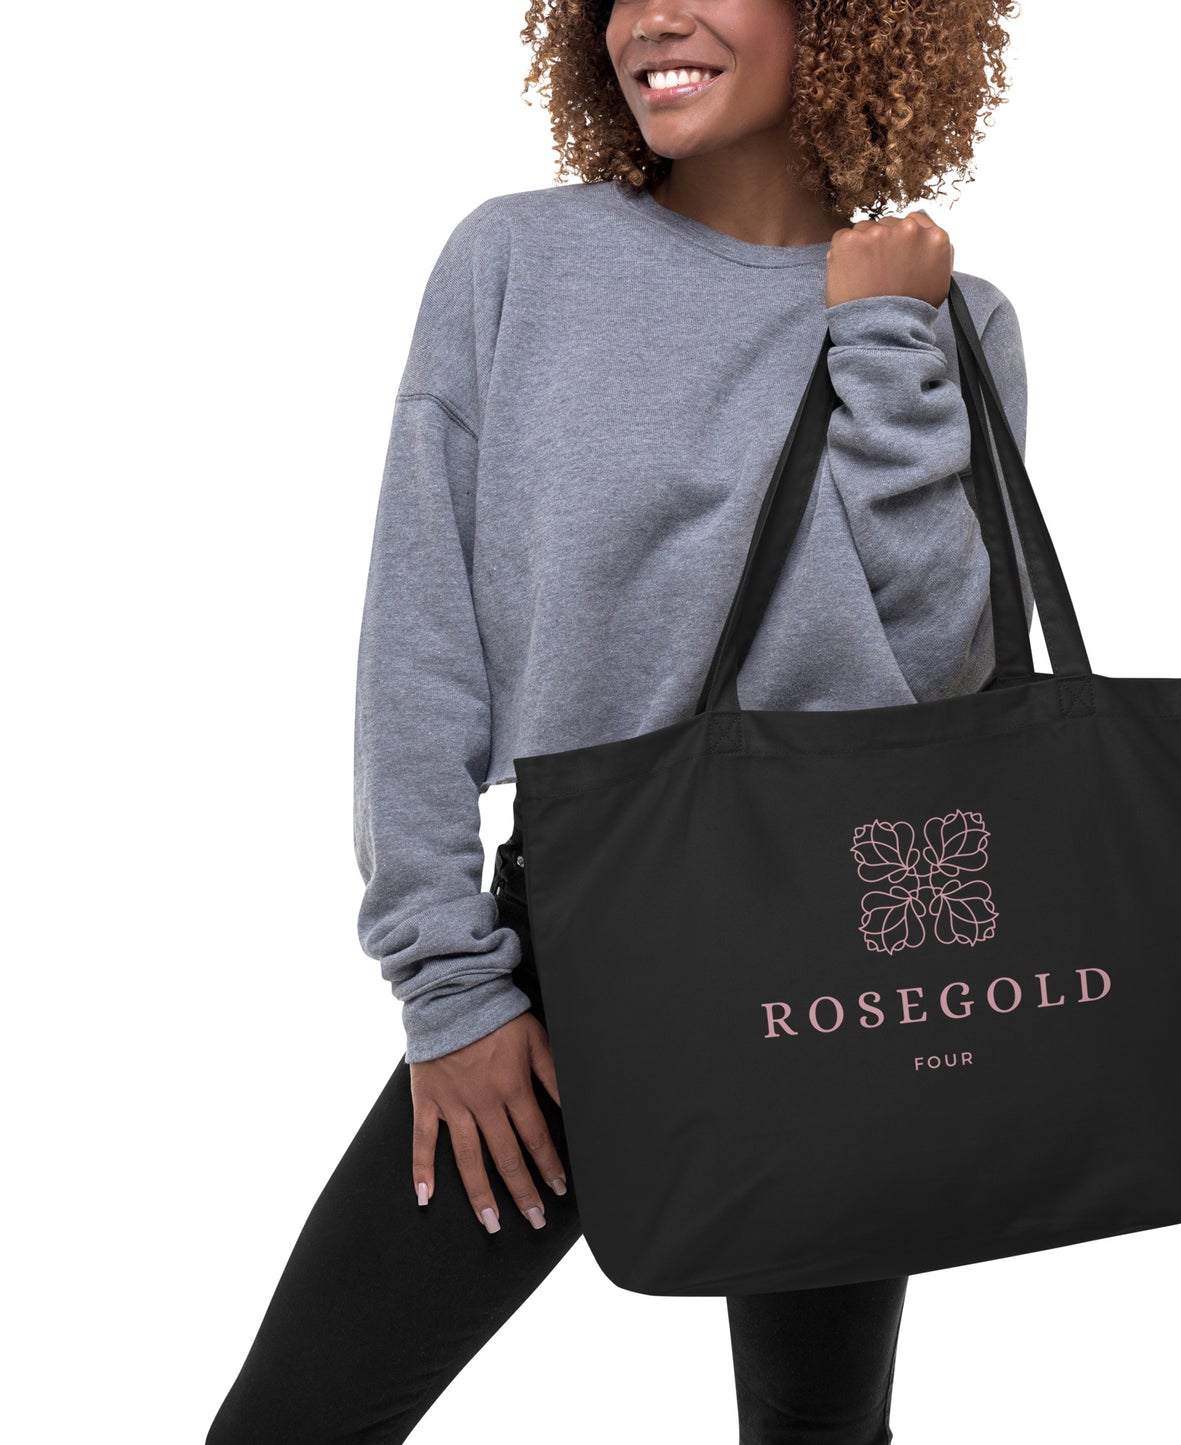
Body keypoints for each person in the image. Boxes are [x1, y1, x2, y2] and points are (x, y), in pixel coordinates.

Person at [207, 2, 1030, 1440]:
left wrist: (883, 335)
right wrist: (450, 986)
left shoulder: (952, 317)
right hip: (583, 946)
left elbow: (941, 679)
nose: (651, 17)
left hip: (856, 956)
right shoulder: (518, 264)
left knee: (817, 1433)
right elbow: (419, 645)